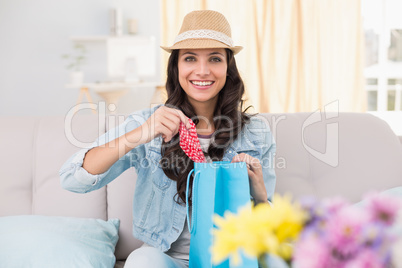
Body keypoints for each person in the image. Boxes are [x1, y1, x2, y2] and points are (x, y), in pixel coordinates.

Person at [59, 10, 276, 268]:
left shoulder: (256, 132)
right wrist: (140, 134)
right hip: (165, 258)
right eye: (190, 58)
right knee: (142, 261)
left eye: (215, 59)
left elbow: (269, 233)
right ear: (176, 67)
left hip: (231, 258)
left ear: (228, 68)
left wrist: (261, 197)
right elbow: (72, 178)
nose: (202, 70)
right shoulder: (149, 124)